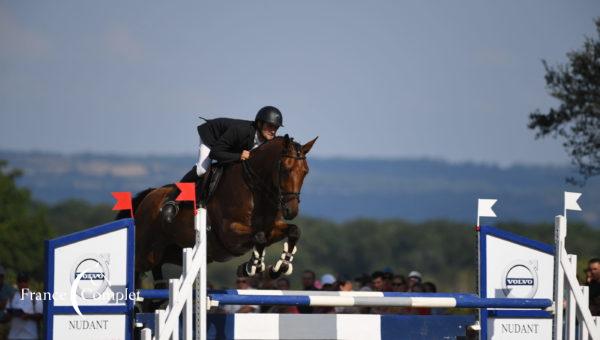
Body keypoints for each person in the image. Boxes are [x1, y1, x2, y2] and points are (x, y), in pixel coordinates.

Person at [161, 106, 284, 222]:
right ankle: (172, 200)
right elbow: (215, 153)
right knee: (202, 169)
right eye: (270, 126)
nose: (273, 130)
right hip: (212, 137)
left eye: (276, 127)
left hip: (231, 145)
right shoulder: (241, 131)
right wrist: (238, 156)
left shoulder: (267, 141)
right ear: (259, 123)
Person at [6, 272, 42, 340]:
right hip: (13, 336)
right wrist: (10, 314)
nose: (22, 284)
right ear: (17, 283)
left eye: (24, 281)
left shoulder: (35, 297)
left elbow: (40, 316)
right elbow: (6, 315)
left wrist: (28, 316)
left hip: (30, 336)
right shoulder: (12, 297)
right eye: (20, 281)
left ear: (28, 282)